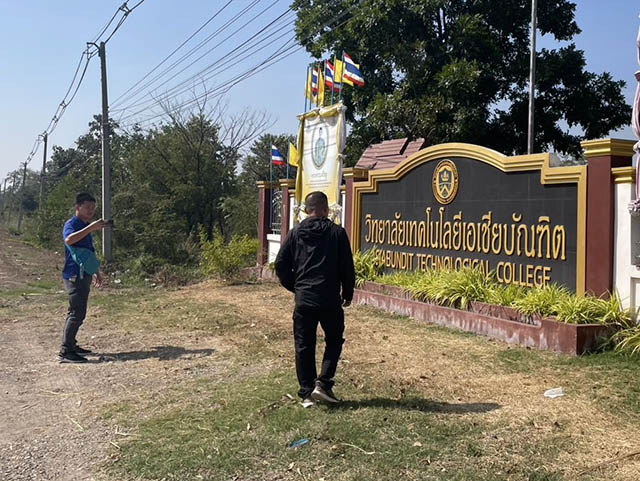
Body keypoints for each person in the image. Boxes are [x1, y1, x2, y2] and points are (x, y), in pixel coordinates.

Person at [275, 191, 355, 407]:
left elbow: (280, 264)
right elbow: (347, 267)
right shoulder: (337, 233)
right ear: (325, 209)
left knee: (304, 344)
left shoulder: (295, 233)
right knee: (334, 340)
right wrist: (347, 293)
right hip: (329, 299)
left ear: (306, 210)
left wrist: (296, 287)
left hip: (304, 299)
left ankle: (307, 393)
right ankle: (324, 384)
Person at [58, 193, 105, 363]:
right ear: (78, 207)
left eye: (93, 208)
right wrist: (91, 228)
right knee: (76, 312)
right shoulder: (72, 224)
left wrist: (96, 271)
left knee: (79, 312)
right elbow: (69, 240)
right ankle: (66, 351)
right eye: (88, 207)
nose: (91, 211)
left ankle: (72, 344)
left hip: (84, 273)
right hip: (74, 274)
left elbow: (88, 252)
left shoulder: (85, 225)